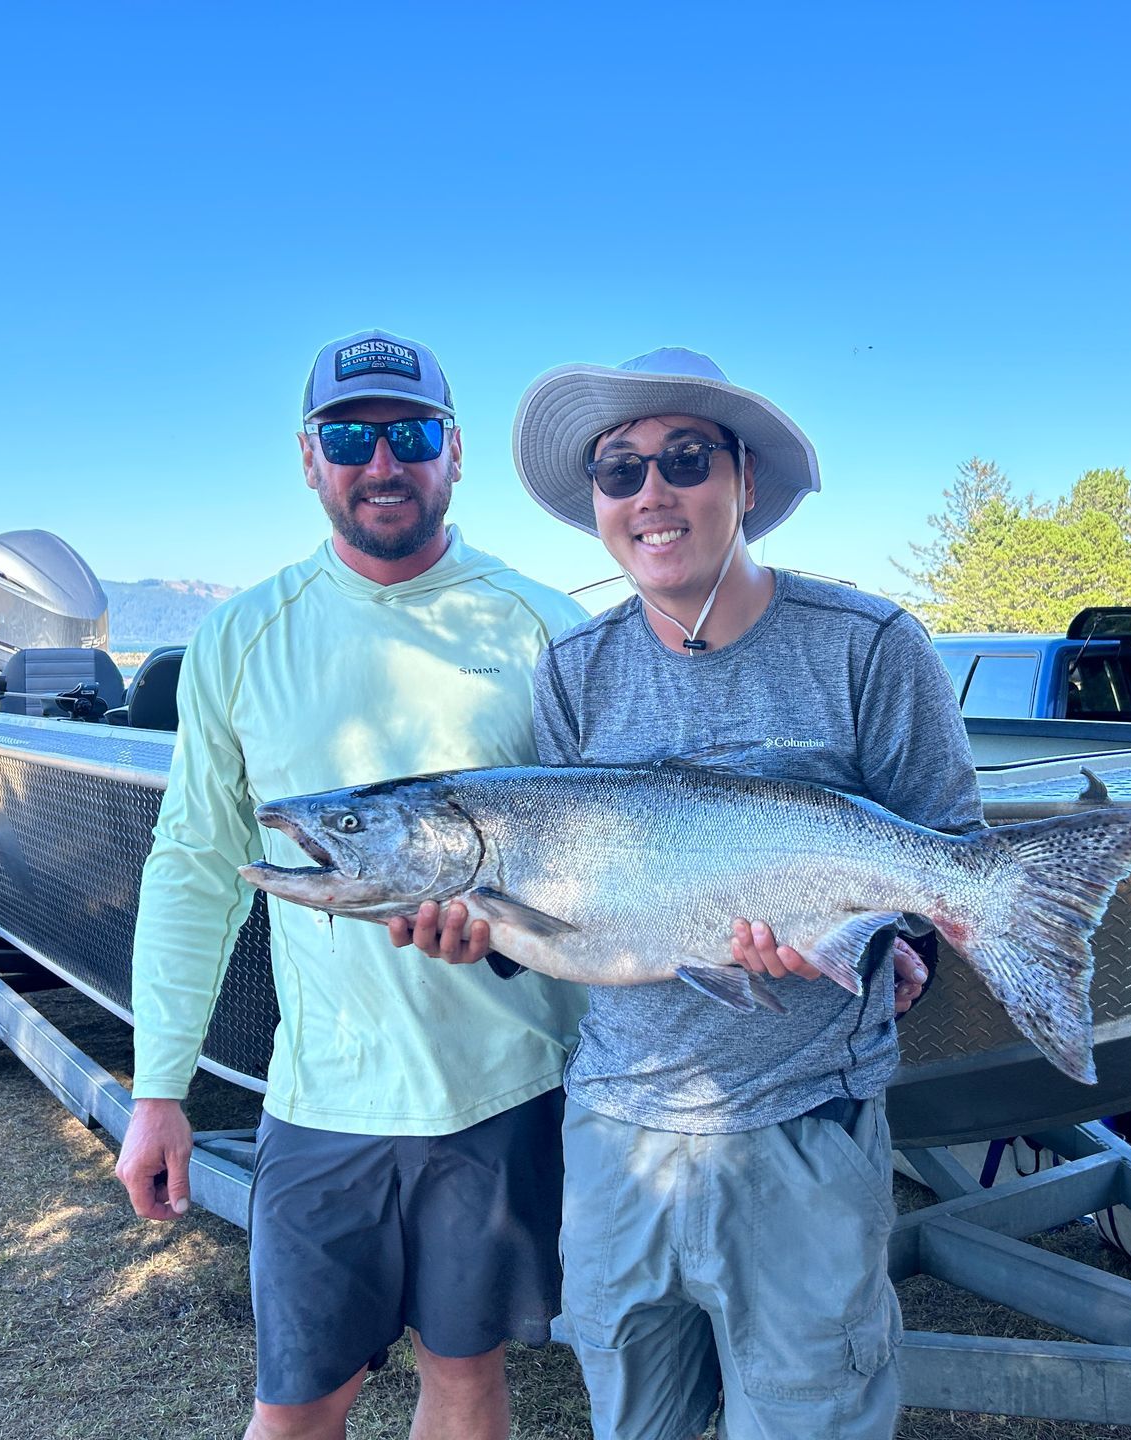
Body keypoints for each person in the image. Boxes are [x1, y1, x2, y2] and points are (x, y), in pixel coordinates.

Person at [399, 348, 983, 1439]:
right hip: (617, 1132)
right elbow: (571, 908)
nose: (651, 491)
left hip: (806, 1122)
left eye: (685, 458)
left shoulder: (870, 646)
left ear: (746, 481)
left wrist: (887, 953)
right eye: (620, 471)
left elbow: (947, 854)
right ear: (600, 506)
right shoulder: (573, 670)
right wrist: (483, 934)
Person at [113, 329, 589, 1440]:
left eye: (412, 433)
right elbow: (195, 868)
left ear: (455, 453)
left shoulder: (546, 630)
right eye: (350, 436)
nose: (384, 462)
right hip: (322, 1098)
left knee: (466, 1378)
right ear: (309, 456)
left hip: (506, 1086)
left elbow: (603, 859)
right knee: (294, 1404)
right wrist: (158, 1088)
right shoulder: (239, 636)